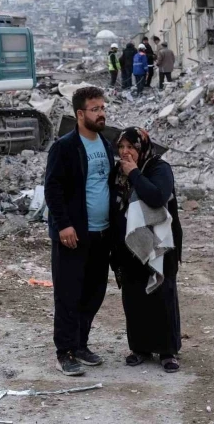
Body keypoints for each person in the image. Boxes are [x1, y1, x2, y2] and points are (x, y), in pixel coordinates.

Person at [44, 86, 114, 376]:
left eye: (103, 108)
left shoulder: (106, 144)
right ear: (80, 114)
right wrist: (64, 225)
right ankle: (65, 351)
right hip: (73, 235)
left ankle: (81, 344)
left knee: (94, 293)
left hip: (102, 234)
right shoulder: (65, 147)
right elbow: (53, 188)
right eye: (95, 109)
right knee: (68, 294)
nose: (101, 113)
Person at [110, 127, 183, 372]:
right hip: (129, 246)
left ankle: (167, 351)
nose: (125, 152)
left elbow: (157, 196)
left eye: (130, 147)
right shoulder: (118, 173)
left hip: (160, 244)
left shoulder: (159, 168)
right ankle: (139, 347)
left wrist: (134, 175)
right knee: (134, 296)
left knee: (162, 295)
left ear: (142, 147)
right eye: (121, 147)